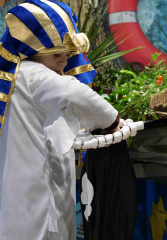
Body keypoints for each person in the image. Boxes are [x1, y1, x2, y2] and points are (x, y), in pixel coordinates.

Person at [0, 1, 120, 240]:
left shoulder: (14, 76)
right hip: (37, 191)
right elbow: (76, 93)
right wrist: (112, 121)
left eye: (67, 55)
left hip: (18, 187)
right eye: (56, 54)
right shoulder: (34, 73)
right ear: (33, 48)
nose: (64, 62)